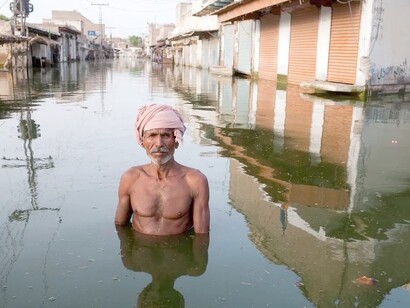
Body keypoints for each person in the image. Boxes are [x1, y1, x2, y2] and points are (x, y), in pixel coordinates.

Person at [115, 104, 210, 235]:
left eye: (165, 135)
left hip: (177, 253)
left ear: (176, 140)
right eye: (152, 135)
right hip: (141, 253)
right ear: (142, 141)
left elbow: (202, 236)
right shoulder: (130, 178)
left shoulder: (195, 181)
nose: (159, 143)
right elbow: (120, 228)